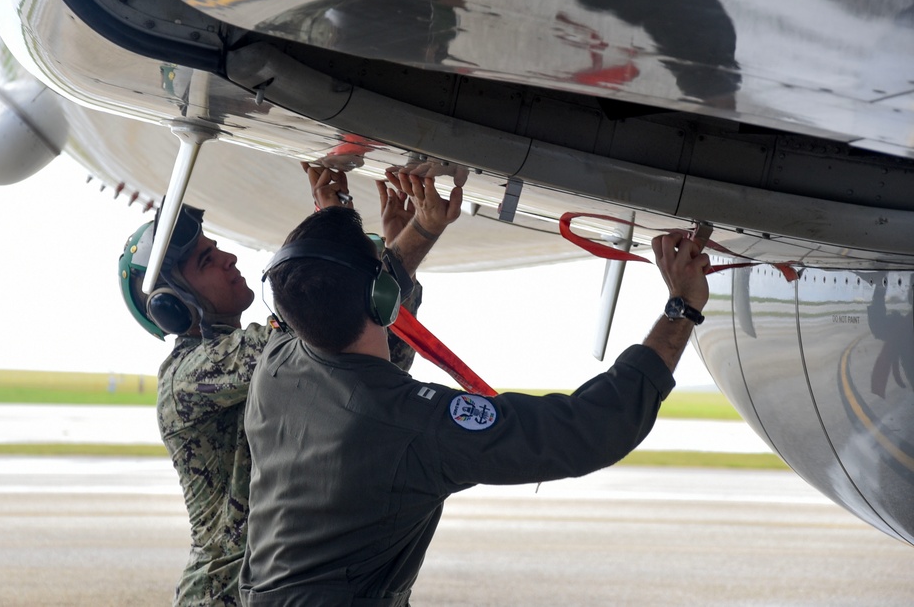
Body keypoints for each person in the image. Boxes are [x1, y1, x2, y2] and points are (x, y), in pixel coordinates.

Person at [241, 193, 710, 606]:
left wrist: (423, 226)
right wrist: (681, 307)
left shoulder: (277, 365)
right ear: (381, 296)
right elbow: (588, 430)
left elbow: (334, 292)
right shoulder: (408, 424)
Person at [118, 164, 442, 606]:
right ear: (172, 306)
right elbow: (318, 315)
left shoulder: (279, 352)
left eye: (215, 248)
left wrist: (392, 247)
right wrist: (378, 236)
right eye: (206, 261)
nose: (227, 258)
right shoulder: (186, 379)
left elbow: (382, 360)